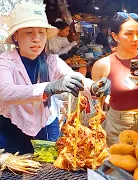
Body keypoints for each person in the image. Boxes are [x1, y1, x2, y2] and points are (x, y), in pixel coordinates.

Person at [0, 3, 111, 154]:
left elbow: (73, 76)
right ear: (15, 36)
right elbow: (6, 92)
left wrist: (93, 86)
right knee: (13, 170)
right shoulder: (5, 62)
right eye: (28, 32)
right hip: (12, 126)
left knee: (50, 166)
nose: (36, 38)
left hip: (46, 124)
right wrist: (49, 88)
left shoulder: (51, 60)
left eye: (41, 32)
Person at [91, 12, 138, 146]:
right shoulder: (101, 66)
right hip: (117, 126)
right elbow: (98, 104)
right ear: (115, 36)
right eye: (129, 34)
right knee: (118, 165)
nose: (135, 38)